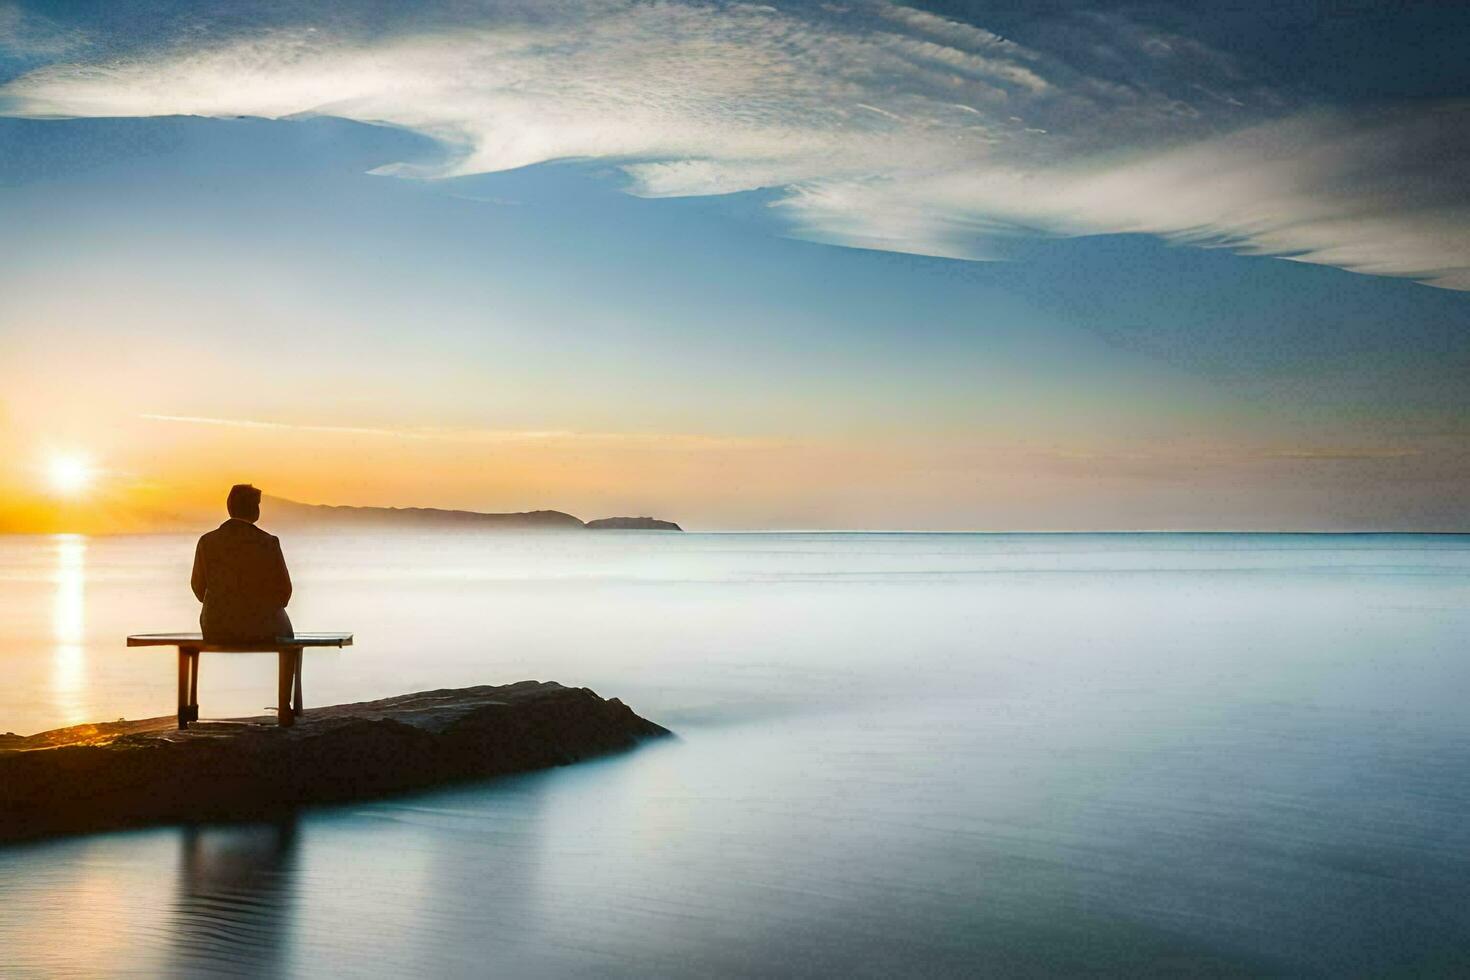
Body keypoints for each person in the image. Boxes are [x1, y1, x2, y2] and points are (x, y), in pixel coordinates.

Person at [191, 484, 294, 643]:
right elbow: (284, 592)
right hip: (263, 629)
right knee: (286, 636)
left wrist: (225, 606)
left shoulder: (207, 542)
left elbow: (198, 588)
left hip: (217, 628)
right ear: (255, 510)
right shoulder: (268, 543)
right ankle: (287, 668)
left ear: (229, 507)